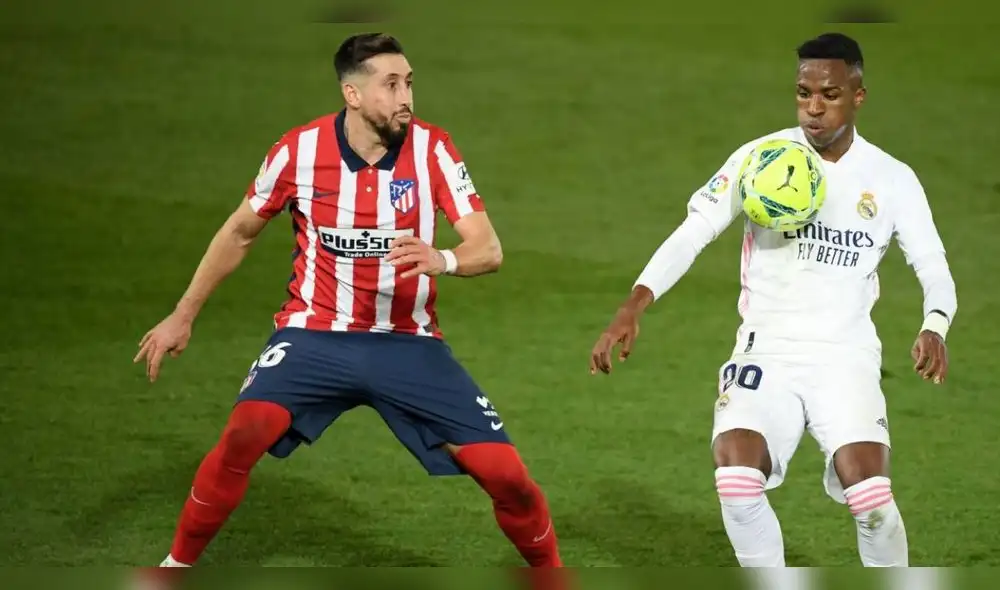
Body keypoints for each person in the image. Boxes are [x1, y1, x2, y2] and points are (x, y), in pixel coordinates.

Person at [134, 32, 561, 568]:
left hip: (408, 343)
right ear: (352, 94)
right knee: (245, 433)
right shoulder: (298, 151)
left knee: (507, 477)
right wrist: (183, 313)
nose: (406, 96)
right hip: (314, 336)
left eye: (409, 83)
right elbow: (240, 232)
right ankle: (174, 569)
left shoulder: (433, 148)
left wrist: (442, 259)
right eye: (391, 84)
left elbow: (488, 247)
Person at [589, 32, 956, 567]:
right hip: (766, 350)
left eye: (829, 94)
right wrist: (634, 305)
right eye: (803, 92)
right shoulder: (762, 159)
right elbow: (694, 231)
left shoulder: (892, 179)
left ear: (858, 95)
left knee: (870, 499)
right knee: (736, 479)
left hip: (845, 356)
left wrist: (935, 323)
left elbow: (933, 266)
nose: (813, 108)